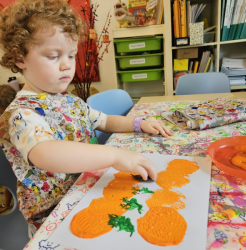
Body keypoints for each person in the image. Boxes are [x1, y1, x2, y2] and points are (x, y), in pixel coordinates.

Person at [0, 0, 174, 237]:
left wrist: (138, 124)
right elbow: (46, 153)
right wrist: (113, 155)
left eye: (71, 56)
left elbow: (104, 121)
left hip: (89, 193)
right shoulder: (22, 113)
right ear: (19, 58)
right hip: (56, 216)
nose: (66, 66)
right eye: (53, 56)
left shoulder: (68, 100)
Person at [0, 85, 16, 213]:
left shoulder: (5, 123)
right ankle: (6, 204)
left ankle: (6, 205)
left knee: (8, 183)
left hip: (10, 165)